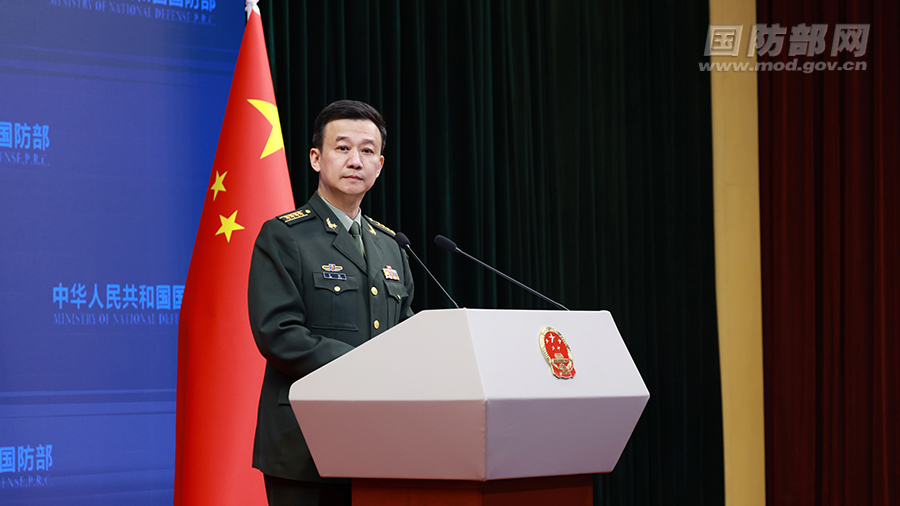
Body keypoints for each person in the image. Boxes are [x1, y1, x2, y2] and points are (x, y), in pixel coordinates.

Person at [247, 100, 415, 506]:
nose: (356, 160)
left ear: (380, 165)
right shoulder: (285, 237)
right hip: (306, 443)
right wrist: (363, 366)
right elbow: (278, 333)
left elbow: (407, 336)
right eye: (343, 148)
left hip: (381, 443)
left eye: (367, 151)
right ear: (316, 159)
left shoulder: (391, 246)